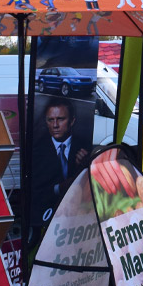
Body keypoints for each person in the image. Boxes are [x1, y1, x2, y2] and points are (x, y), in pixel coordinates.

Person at [30, 96, 92, 225]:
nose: (55, 125)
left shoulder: (85, 147)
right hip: (48, 214)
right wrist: (60, 188)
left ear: (72, 121)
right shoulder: (37, 150)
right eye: (50, 120)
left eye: (60, 119)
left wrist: (86, 165)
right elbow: (35, 192)